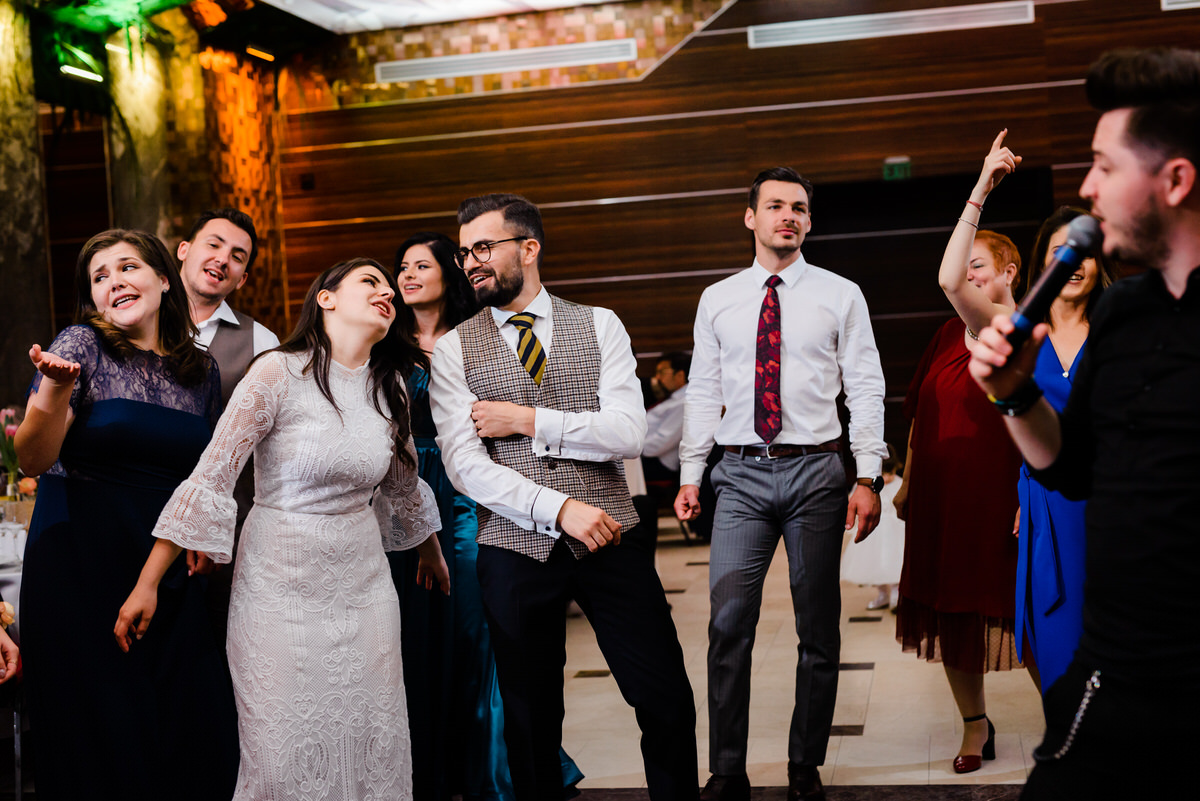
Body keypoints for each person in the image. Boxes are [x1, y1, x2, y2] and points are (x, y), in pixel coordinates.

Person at [114, 258, 450, 800]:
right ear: (326, 298)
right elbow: (212, 477)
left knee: (371, 735)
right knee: (282, 749)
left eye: (391, 289)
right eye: (370, 282)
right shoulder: (276, 372)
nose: (387, 292)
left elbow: (403, 482)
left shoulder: (389, 385)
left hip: (364, 587)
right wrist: (147, 583)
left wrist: (430, 551)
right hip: (280, 583)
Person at [967, 47, 1200, 798]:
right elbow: (1069, 468)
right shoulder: (1123, 312)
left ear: (1175, 180)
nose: (1087, 188)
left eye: (1104, 166)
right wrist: (1014, 396)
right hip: (1114, 671)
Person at [429, 193, 698, 800]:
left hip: (613, 540)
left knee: (664, 696)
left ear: (528, 248)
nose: (470, 263)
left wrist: (527, 420)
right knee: (530, 718)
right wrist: (559, 509)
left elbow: (627, 434)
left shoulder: (600, 323)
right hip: (514, 548)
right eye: (464, 252)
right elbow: (465, 465)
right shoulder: (453, 349)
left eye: (483, 248)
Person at [675, 167, 887, 801]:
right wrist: (691, 473)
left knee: (817, 627)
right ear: (751, 217)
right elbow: (703, 390)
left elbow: (866, 386)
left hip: (816, 471)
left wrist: (868, 474)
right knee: (727, 624)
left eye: (798, 207)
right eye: (774, 206)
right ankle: (726, 771)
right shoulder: (718, 298)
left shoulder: (841, 294)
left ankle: (804, 765)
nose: (787, 216)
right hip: (739, 472)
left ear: (809, 221)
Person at [15, 229, 239, 801]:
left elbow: (204, 475)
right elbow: (33, 459)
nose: (114, 281)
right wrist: (55, 391)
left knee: (191, 728)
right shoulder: (81, 344)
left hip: (164, 564)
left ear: (163, 279)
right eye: (99, 276)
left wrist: (201, 534)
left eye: (127, 267)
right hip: (79, 562)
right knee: (101, 737)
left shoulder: (202, 371)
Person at [393, 232, 583, 800]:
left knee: (476, 626)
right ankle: (437, 764)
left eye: (421, 265)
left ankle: (496, 770)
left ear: (447, 274)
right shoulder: (386, 343)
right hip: (405, 491)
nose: (407, 276)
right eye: (401, 267)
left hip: (469, 491)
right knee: (421, 632)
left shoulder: (477, 338)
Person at [894, 140, 1026, 775]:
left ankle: (1068, 720)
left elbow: (949, 281)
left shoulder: (1018, 330)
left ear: (1009, 273)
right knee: (951, 613)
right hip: (942, 500)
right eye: (964, 263)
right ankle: (975, 723)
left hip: (1005, 499)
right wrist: (907, 483)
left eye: (980, 264)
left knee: (1025, 610)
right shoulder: (950, 333)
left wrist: (980, 188)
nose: (968, 274)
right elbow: (921, 412)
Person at [1014, 206, 1117, 695]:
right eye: (1061, 252)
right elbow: (951, 282)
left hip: (1112, 501)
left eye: (1084, 254)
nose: (1074, 263)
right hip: (1046, 503)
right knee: (1056, 639)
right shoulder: (1021, 333)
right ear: (1042, 264)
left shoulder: (1119, 328)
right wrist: (981, 189)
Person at [176, 207, 280, 641]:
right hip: (136, 510)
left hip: (221, 530)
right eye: (214, 244)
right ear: (184, 250)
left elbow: (269, 454)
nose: (223, 259)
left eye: (237, 256)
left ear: (242, 278)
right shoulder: (135, 322)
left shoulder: (262, 342)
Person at [841, 445, 904, 611]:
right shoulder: (868, 486)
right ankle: (882, 594)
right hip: (874, 534)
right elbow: (854, 501)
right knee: (874, 564)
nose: (887, 478)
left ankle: (896, 594)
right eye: (883, 473)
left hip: (895, 534)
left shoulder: (899, 484)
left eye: (890, 473)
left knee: (895, 563)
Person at [642, 351, 689, 480]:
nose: (657, 377)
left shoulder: (684, 402)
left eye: (662, 372)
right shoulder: (674, 398)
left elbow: (662, 441)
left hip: (656, 462)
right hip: (644, 453)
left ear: (680, 375)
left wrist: (633, 448)